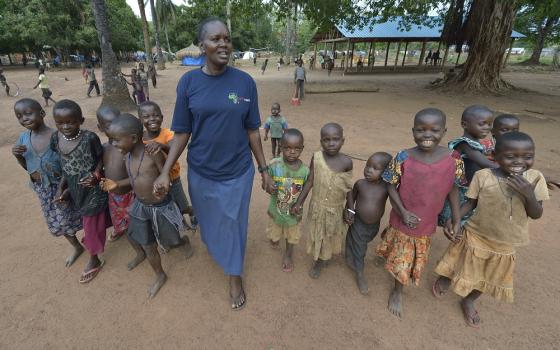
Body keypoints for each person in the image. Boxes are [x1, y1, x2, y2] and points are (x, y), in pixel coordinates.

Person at [152, 18, 273, 311]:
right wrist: (166, 171)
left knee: (232, 223)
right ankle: (215, 242)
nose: (223, 44)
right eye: (215, 39)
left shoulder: (244, 82)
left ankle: (234, 274)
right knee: (208, 221)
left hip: (237, 171)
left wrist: (264, 169)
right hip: (202, 171)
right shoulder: (189, 83)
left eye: (227, 39)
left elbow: (252, 130)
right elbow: (182, 132)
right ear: (202, 45)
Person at [433, 132, 549, 328]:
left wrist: (528, 194)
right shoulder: (483, 176)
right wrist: (456, 219)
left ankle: (469, 300)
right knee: (458, 259)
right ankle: (446, 278)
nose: (519, 162)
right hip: (476, 232)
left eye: (527, 156)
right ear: (495, 155)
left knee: (490, 274)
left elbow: (536, 213)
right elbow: (471, 203)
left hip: (505, 241)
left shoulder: (535, 178)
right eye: (511, 156)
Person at [376, 108, 464, 318]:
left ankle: (396, 277)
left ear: (444, 131)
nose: (427, 135)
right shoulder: (403, 157)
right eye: (421, 130)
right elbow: (390, 185)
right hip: (403, 216)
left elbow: (454, 187)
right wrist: (403, 212)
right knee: (399, 248)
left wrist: (456, 218)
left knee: (407, 254)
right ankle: (397, 291)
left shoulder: (454, 158)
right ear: (412, 131)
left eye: (434, 130)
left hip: (426, 220)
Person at [108, 114, 193, 298]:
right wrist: (117, 185)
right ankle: (160, 275)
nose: (113, 145)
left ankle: (182, 242)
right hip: (140, 206)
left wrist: (162, 187)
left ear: (132, 138)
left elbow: (166, 175)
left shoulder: (152, 153)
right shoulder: (128, 156)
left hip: (161, 207)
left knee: (172, 241)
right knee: (147, 245)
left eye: (116, 140)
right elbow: (134, 180)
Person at [12, 98, 83, 266]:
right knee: (57, 220)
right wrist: (18, 157)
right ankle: (77, 247)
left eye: (29, 114)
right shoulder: (23, 139)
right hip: (43, 190)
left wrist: (62, 187)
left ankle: (94, 240)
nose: (24, 119)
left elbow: (69, 165)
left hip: (65, 186)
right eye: (19, 116)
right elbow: (28, 168)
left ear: (42, 113)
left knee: (80, 214)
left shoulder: (57, 136)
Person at [51, 100, 109, 283]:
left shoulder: (89, 138)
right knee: (93, 219)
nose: (66, 126)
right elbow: (65, 165)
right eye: (60, 123)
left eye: (71, 122)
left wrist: (97, 174)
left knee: (91, 223)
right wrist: (62, 187)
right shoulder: (56, 138)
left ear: (81, 120)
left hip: (91, 186)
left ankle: (94, 258)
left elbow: (101, 157)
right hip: (74, 188)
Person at [291, 123, 353, 279]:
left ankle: (326, 256)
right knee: (318, 234)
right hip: (318, 207)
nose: (331, 143)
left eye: (336, 139)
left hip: (336, 208)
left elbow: (348, 188)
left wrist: (350, 209)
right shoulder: (317, 157)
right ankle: (319, 261)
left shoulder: (346, 162)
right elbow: (310, 181)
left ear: (343, 140)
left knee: (331, 233)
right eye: (326, 140)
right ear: (321, 141)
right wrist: (299, 202)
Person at [139, 101, 196, 228]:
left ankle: (192, 212)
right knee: (169, 206)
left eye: (156, 115)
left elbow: (174, 148)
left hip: (172, 178)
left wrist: (161, 145)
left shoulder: (167, 133)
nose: (152, 119)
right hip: (155, 181)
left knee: (182, 205)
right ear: (140, 120)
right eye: (146, 117)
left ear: (162, 117)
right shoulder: (140, 139)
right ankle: (182, 225)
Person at [439, 105, 497, 225]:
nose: (487, 128)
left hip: (468, 188)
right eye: (482, 124)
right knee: (454, 219)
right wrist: (516, 172)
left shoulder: (476, 143)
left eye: (490, 124)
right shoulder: (464, 143)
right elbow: (484, 163)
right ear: (464, 124)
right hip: (458, 189)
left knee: (464, 219)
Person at [344, 152, 391, 295]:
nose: (368, 170)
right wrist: (349, 210)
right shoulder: (360, 184)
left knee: (359, 240)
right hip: (358, 221)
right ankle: (359, 274)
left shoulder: (387, 187)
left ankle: (350, 255)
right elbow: (351, 195)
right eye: (367, 166)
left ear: (386, 172)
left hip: (373, 225)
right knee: (360, 248)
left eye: (375, 168)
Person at [267, 129, 309, 272]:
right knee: (275, 231)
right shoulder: (274, 165)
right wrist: (268, 186)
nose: (292, 152)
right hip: (276, 209)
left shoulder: (305, 171)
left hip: (293, 212)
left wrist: (299, 204)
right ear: (281, 147)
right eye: (288, 148)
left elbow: (305, 190)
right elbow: (265, 182)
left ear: (302, 149)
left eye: (296, 148)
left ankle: (288, 254)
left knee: (292, 235)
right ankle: (275, 237)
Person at [95, 106, 133, 242]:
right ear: (100, 127)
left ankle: (141, 240)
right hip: (114, 195)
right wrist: (97, 173)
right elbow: (102, 166)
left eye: (118, 122)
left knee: (136, 222)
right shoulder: (104, 148)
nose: (115, 127)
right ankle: (121, 230)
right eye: (109, 125)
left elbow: (137, 174)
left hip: (131, 194)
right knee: (119, 219)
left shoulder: (128, 148)